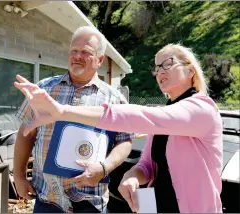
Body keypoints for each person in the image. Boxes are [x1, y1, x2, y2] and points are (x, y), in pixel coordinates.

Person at [14, 43, 223, 213]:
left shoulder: (202, 109)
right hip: (153, 207)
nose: (160, 71)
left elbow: (142, 117)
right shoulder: (168, 113)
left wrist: (62, 112)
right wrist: (133, 174)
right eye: (157, 67)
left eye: (167, 64)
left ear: (190, 70)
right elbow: (149, 165)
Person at [13, 26, 133, 213]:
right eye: (74, 51)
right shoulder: (44, 90)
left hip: (90, 202)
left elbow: (124, 141)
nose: (77, 56)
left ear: (100, 60)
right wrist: (19, 176)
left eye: (85, 52)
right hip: (47, 199)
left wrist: (103, 168)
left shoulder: (113, 98)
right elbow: (25, 133)